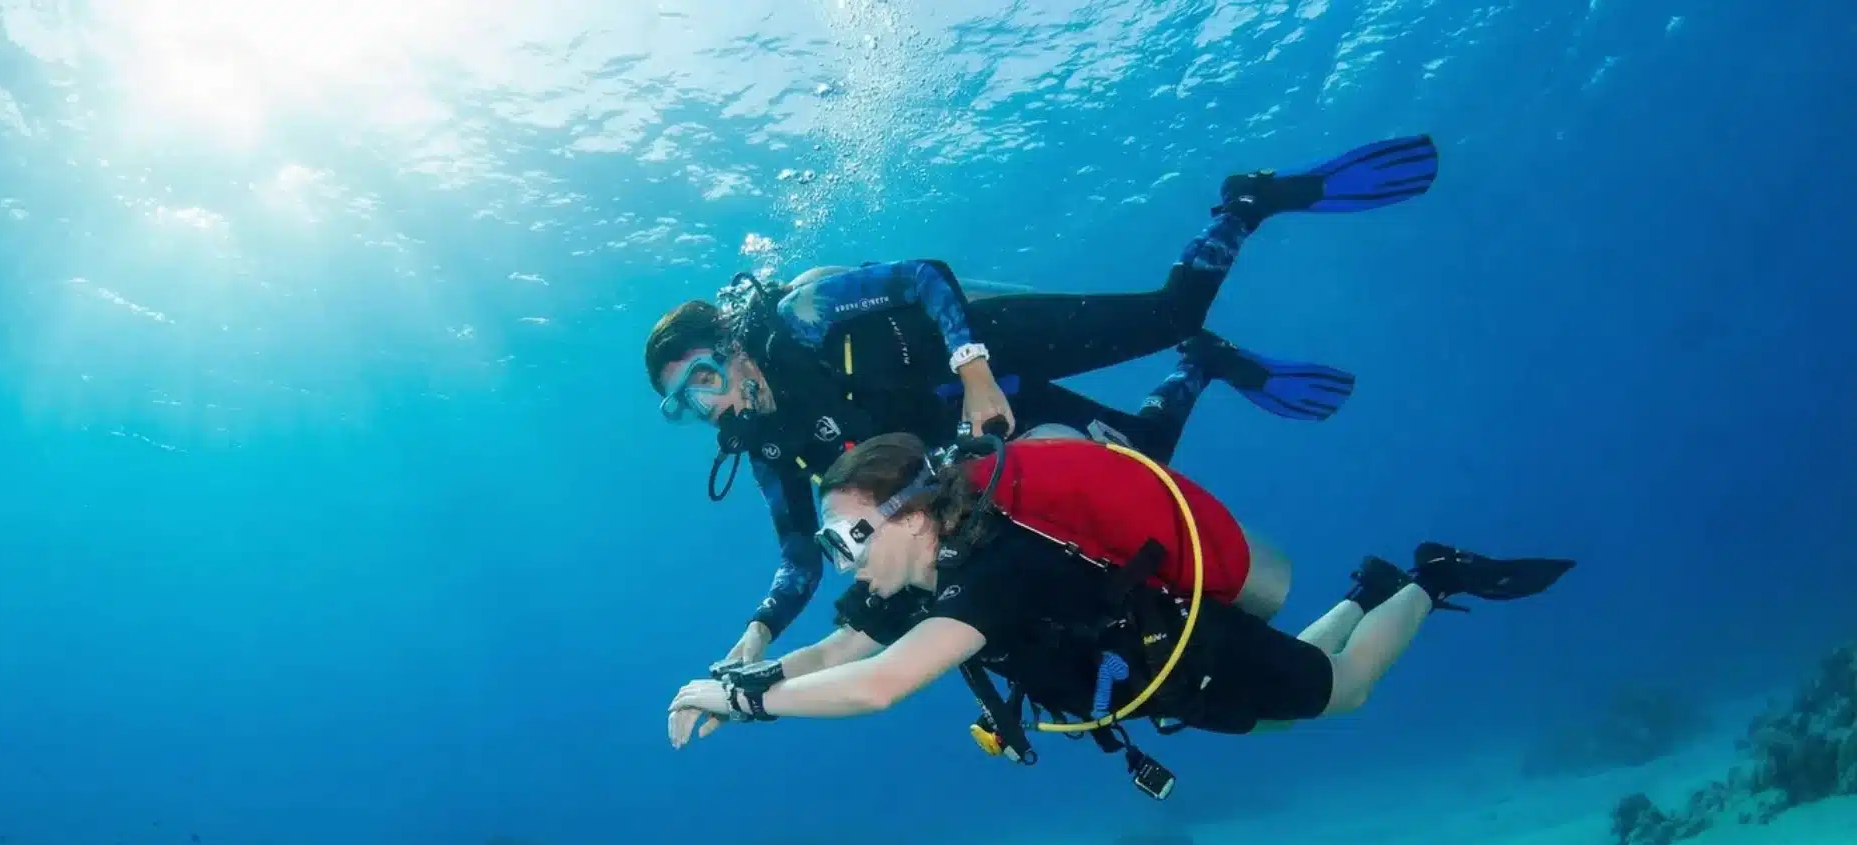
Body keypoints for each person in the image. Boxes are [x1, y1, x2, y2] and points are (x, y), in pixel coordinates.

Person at [645, 135, 1440, 671]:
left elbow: (924, 274)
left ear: (732, 345)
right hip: (988, 430)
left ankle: (1244, 204)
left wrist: (976, 368)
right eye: (685, 404)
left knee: (1170, 314)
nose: (707, 406)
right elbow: (797, 557)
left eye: (704, 379)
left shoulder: (804, 314)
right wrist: (756, 637)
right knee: (1145, 461)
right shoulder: (769, 446)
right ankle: (1203, 371)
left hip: (990, 350)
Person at [664, 428, 1573, 797]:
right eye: (833, 547)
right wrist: (739, 676)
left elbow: (879, 688)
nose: (845, 562)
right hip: (1151, 672)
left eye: (850, 536)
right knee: (1273, 714)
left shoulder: (997, 569)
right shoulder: (907, 575)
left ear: (908, 510)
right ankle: (1368, 591)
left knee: (1345, 689)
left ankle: (1431, 577)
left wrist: (740, 705)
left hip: (1185, 647)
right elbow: (837, 651)